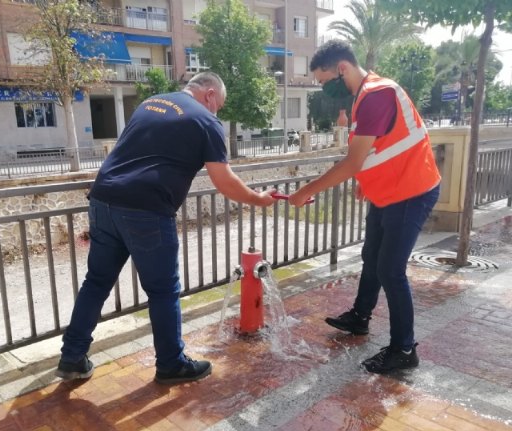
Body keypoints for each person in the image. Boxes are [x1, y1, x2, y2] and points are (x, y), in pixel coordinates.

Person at [57, 72, 276, 384]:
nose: (218, 113)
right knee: (163, 291)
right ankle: (171, 363)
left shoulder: (151, 103)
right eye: (219, 106)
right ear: (210, 94)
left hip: (103, 199)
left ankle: (72, 357)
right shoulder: (206, 120)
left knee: (96, 282)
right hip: (146, 209)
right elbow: (224, 180)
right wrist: (258, 198)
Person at [288, 40, 441, 374]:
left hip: (411, 191)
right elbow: (377, 149)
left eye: (324, 80)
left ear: (342, 69)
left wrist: (306, 191)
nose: (323, 88)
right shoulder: (364, 97)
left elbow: (353, 161)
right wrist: (366, 179)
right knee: (371, 256)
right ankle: (360, 317)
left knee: (390, 270)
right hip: (389, 191)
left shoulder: (376, 95)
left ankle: (403, 349)